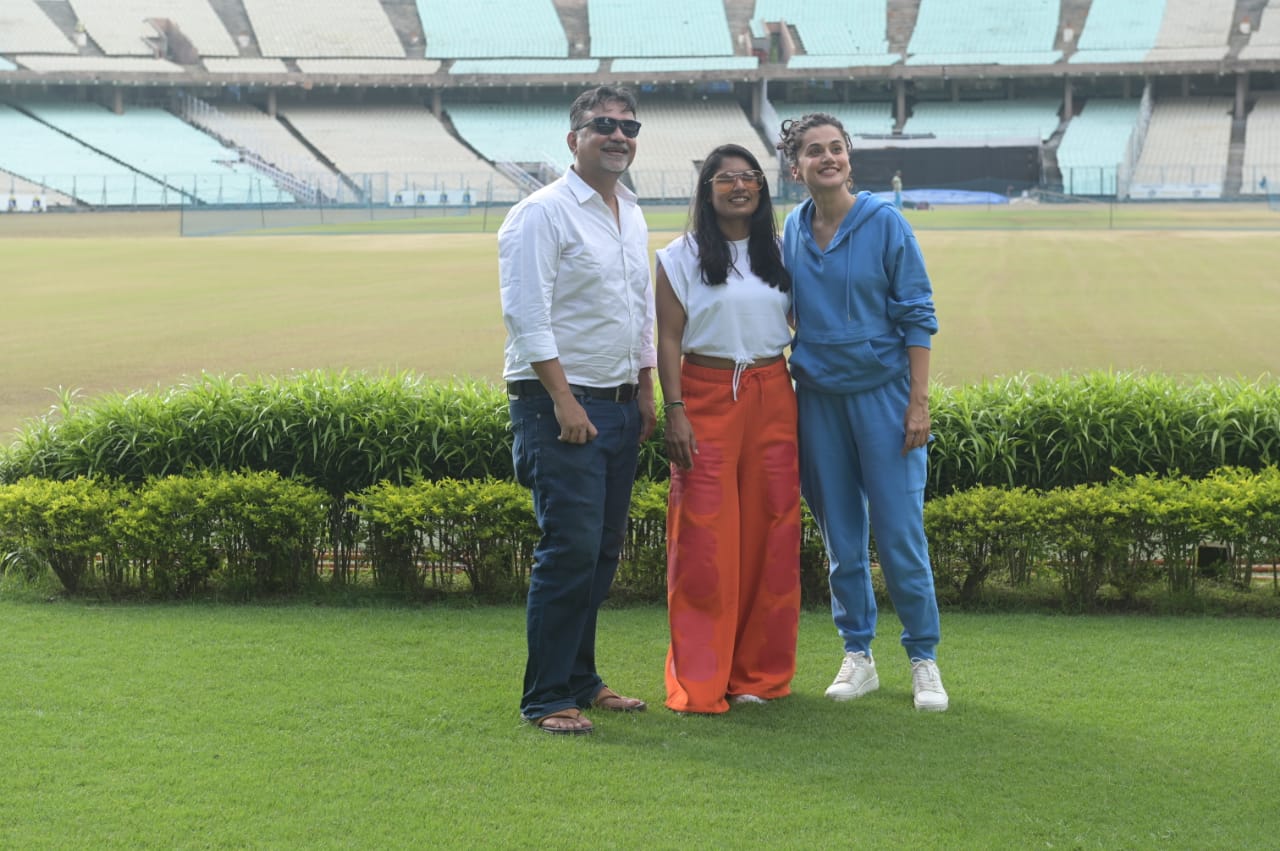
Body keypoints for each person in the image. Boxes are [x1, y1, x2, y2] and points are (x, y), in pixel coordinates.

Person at [776, 113, 949, 711]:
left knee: (900, 534)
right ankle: (859, 654)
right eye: (814, 152)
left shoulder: (885, 223)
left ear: (849, 158)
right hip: (818, 402)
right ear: (795, 167)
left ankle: (923, 657)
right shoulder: (792, 231)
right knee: (841, 540)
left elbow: (918, 314)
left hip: (885, 399)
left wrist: (917, 403)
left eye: (837, 149)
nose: (829, 158)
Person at [498, 85, 657, 735]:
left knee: (600, 551)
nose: (618, 135)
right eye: (603, 126)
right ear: (574, 139)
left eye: (628, 125)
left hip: (619, 406)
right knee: (568, 550)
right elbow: (526, 314)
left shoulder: (631, 211)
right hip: (562, 407)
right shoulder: (542, 213)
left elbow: (640, 309)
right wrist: (563, 398)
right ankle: (545, 695)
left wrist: (645, 390)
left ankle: (583, 679)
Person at [655, 144, 801, 715]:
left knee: (773, 533)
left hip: (772, 392)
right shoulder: (679, 256)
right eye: (725, 179)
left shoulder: (785, 254)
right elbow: (666, 338)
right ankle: (701, 680)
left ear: (762, 188)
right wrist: (675, 409)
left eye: (749, 178)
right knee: (704, 542)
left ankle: (759, 677)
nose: (738, 187)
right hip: (707, 393)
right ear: (707, 189)